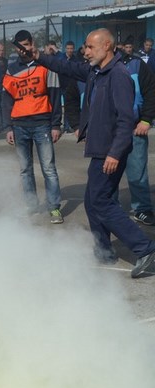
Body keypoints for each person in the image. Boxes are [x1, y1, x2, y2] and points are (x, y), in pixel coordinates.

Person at [36, 28, 155, 276]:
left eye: (91, 47)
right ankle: (104, 250)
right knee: (93, 201)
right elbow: (66, 68)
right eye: (86, 47)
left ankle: (145, 250)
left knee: (100, 201)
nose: (85, 51)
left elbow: (126, 120)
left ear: (108, 46)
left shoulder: (119, 75)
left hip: (111, 151)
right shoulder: (95, 71)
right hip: (100, 148)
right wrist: (38, 55)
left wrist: (114, 153)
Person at [2, 30, 63, 224]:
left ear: (32, 44)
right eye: (19, 47)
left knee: (49, 168)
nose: (23, 50)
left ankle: (54, 207)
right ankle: (31, 205)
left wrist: (56, 125)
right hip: (19, 125)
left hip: (42, 124)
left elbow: (55, 95)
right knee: (25, 169)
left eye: (26, 45)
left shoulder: (46, 65)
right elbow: (5, 101)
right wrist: (8, 127)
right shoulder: (11, 70)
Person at [118, 37, 155, 226]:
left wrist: (146, 119)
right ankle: (111, 207)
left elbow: (150, 92)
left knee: (138, 170)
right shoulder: (100, 67)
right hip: (112, 131)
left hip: (135, 128)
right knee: (108, 171)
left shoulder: (137, 64)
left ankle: (141, 209)